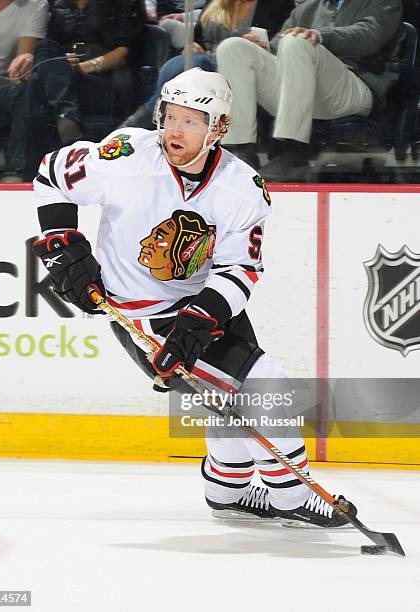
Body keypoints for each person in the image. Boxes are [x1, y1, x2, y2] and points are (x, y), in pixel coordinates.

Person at [32, 67, 356, 527]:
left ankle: (227, 490)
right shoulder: (124, 154)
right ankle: (291, 497)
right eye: (169, 117)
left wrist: (199, 320)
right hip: (147, 320)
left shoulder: (241, 188)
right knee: (268, 386)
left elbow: (239, 269)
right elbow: (51, 175)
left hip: (208, 302)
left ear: (218, 128)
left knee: (234, 394)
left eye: (190, 120)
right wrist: (64, 243)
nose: (173, 130)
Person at [216, 0, 404, 180]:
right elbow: (279, 45)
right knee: (233, 47)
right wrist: (264, 49)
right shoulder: (309, 6)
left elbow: (370, 36)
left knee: (298, 40)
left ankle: (293, 153)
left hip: (354, 85)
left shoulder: (383, 2)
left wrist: (319, 36)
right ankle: (240, 151)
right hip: (301, 88)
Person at [120, 0, 294, 169]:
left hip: (241, 68)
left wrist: (261, 46)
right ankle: (149, 126)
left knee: (185, 66)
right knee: (181, 63)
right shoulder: (216, 2)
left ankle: (140, 124)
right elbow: (198, 38)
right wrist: (193, 47)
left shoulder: (276, 4)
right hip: (206, 61)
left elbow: (274, 45)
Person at [4, 0, 146, 182]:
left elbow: (124, 53)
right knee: (43, 48)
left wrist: (85, 66)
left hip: (102, 77)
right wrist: (61, 64)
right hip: (63, 77)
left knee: (38, 86)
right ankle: (66, 115)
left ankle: (23, 171)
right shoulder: (62, 5)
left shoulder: (125, 4)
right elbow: (52, 48)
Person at [0, 0, 49, 183]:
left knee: (26, 89)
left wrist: (25, 59)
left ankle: (14, 174)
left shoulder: (35, 5)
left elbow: (23, 56)